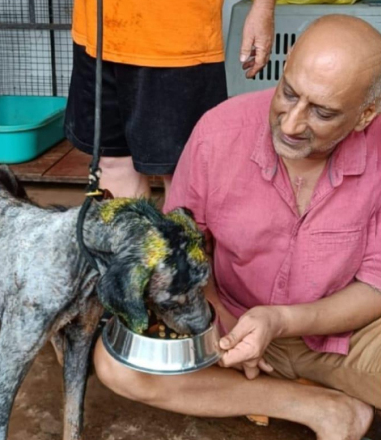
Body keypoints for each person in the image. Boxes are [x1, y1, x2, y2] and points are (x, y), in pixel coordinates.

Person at [93, 15, 381, 440]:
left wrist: (279, 322)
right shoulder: (219, 131)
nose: (291, 124)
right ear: (283, 70)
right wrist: (225, 323)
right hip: (230, 321)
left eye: (322, 113)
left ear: (365, 115)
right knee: (117, 365)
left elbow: (375, 287)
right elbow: (182, 254)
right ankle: (322, 407)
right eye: (289, 93)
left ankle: (309, 383)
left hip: (347, 332)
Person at [65, 0, 275, 198]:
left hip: (178, 39)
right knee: (112, 160)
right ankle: (129, 237)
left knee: (183, 174)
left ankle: (182, 238)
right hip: (96, 30)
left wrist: (263, 9)